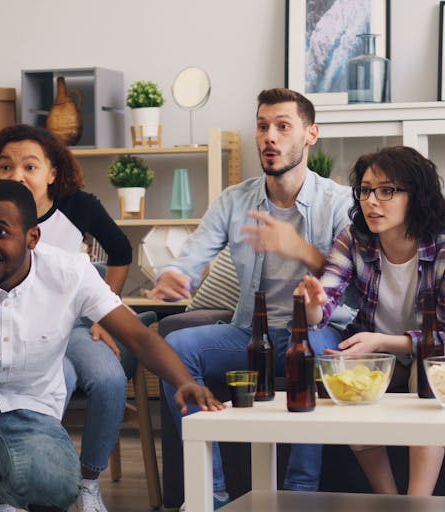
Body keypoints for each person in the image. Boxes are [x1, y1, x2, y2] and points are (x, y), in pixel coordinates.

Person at [0, 180, 223, 512]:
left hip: (25, 413)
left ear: (32, 238)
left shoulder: (70, 273)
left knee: (57, 486)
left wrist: (185, 381)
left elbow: (139, 337)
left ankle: (0, 485)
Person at [149, 88, 353, 507]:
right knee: (175, 348)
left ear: (311, 134)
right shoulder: (234, 200)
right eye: (263, 127)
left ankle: (299, 495)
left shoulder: (340, 202)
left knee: (311, 348)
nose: (269, 138)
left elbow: (356, 279)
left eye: (282, 127)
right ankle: (213, 493)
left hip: (318, 334)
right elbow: (194, 252)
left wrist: (300, 249)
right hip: (251, 334)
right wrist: (175, 274)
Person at [0, 124, 135, 512]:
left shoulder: (79, 206)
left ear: (52, 172)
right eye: (6, 167)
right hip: (17, 330)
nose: (17, 176)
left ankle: (87, 482)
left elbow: (121, 251)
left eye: (29, 166)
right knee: (57, 380)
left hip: (75, 324)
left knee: (110, 378)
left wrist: (103, 315)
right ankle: (19, 482)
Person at [297, 146, 445, 496]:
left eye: (387, 190)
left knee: (428, 368)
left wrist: (380, 342)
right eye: (365, 190)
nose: (372, 201)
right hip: (377, 351)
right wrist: (312, 304)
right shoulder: (354, 237)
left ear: (417, 195)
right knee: (341, 372)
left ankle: (417, 501)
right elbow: (322, 311)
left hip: (430, 351)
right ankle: (388, 499)